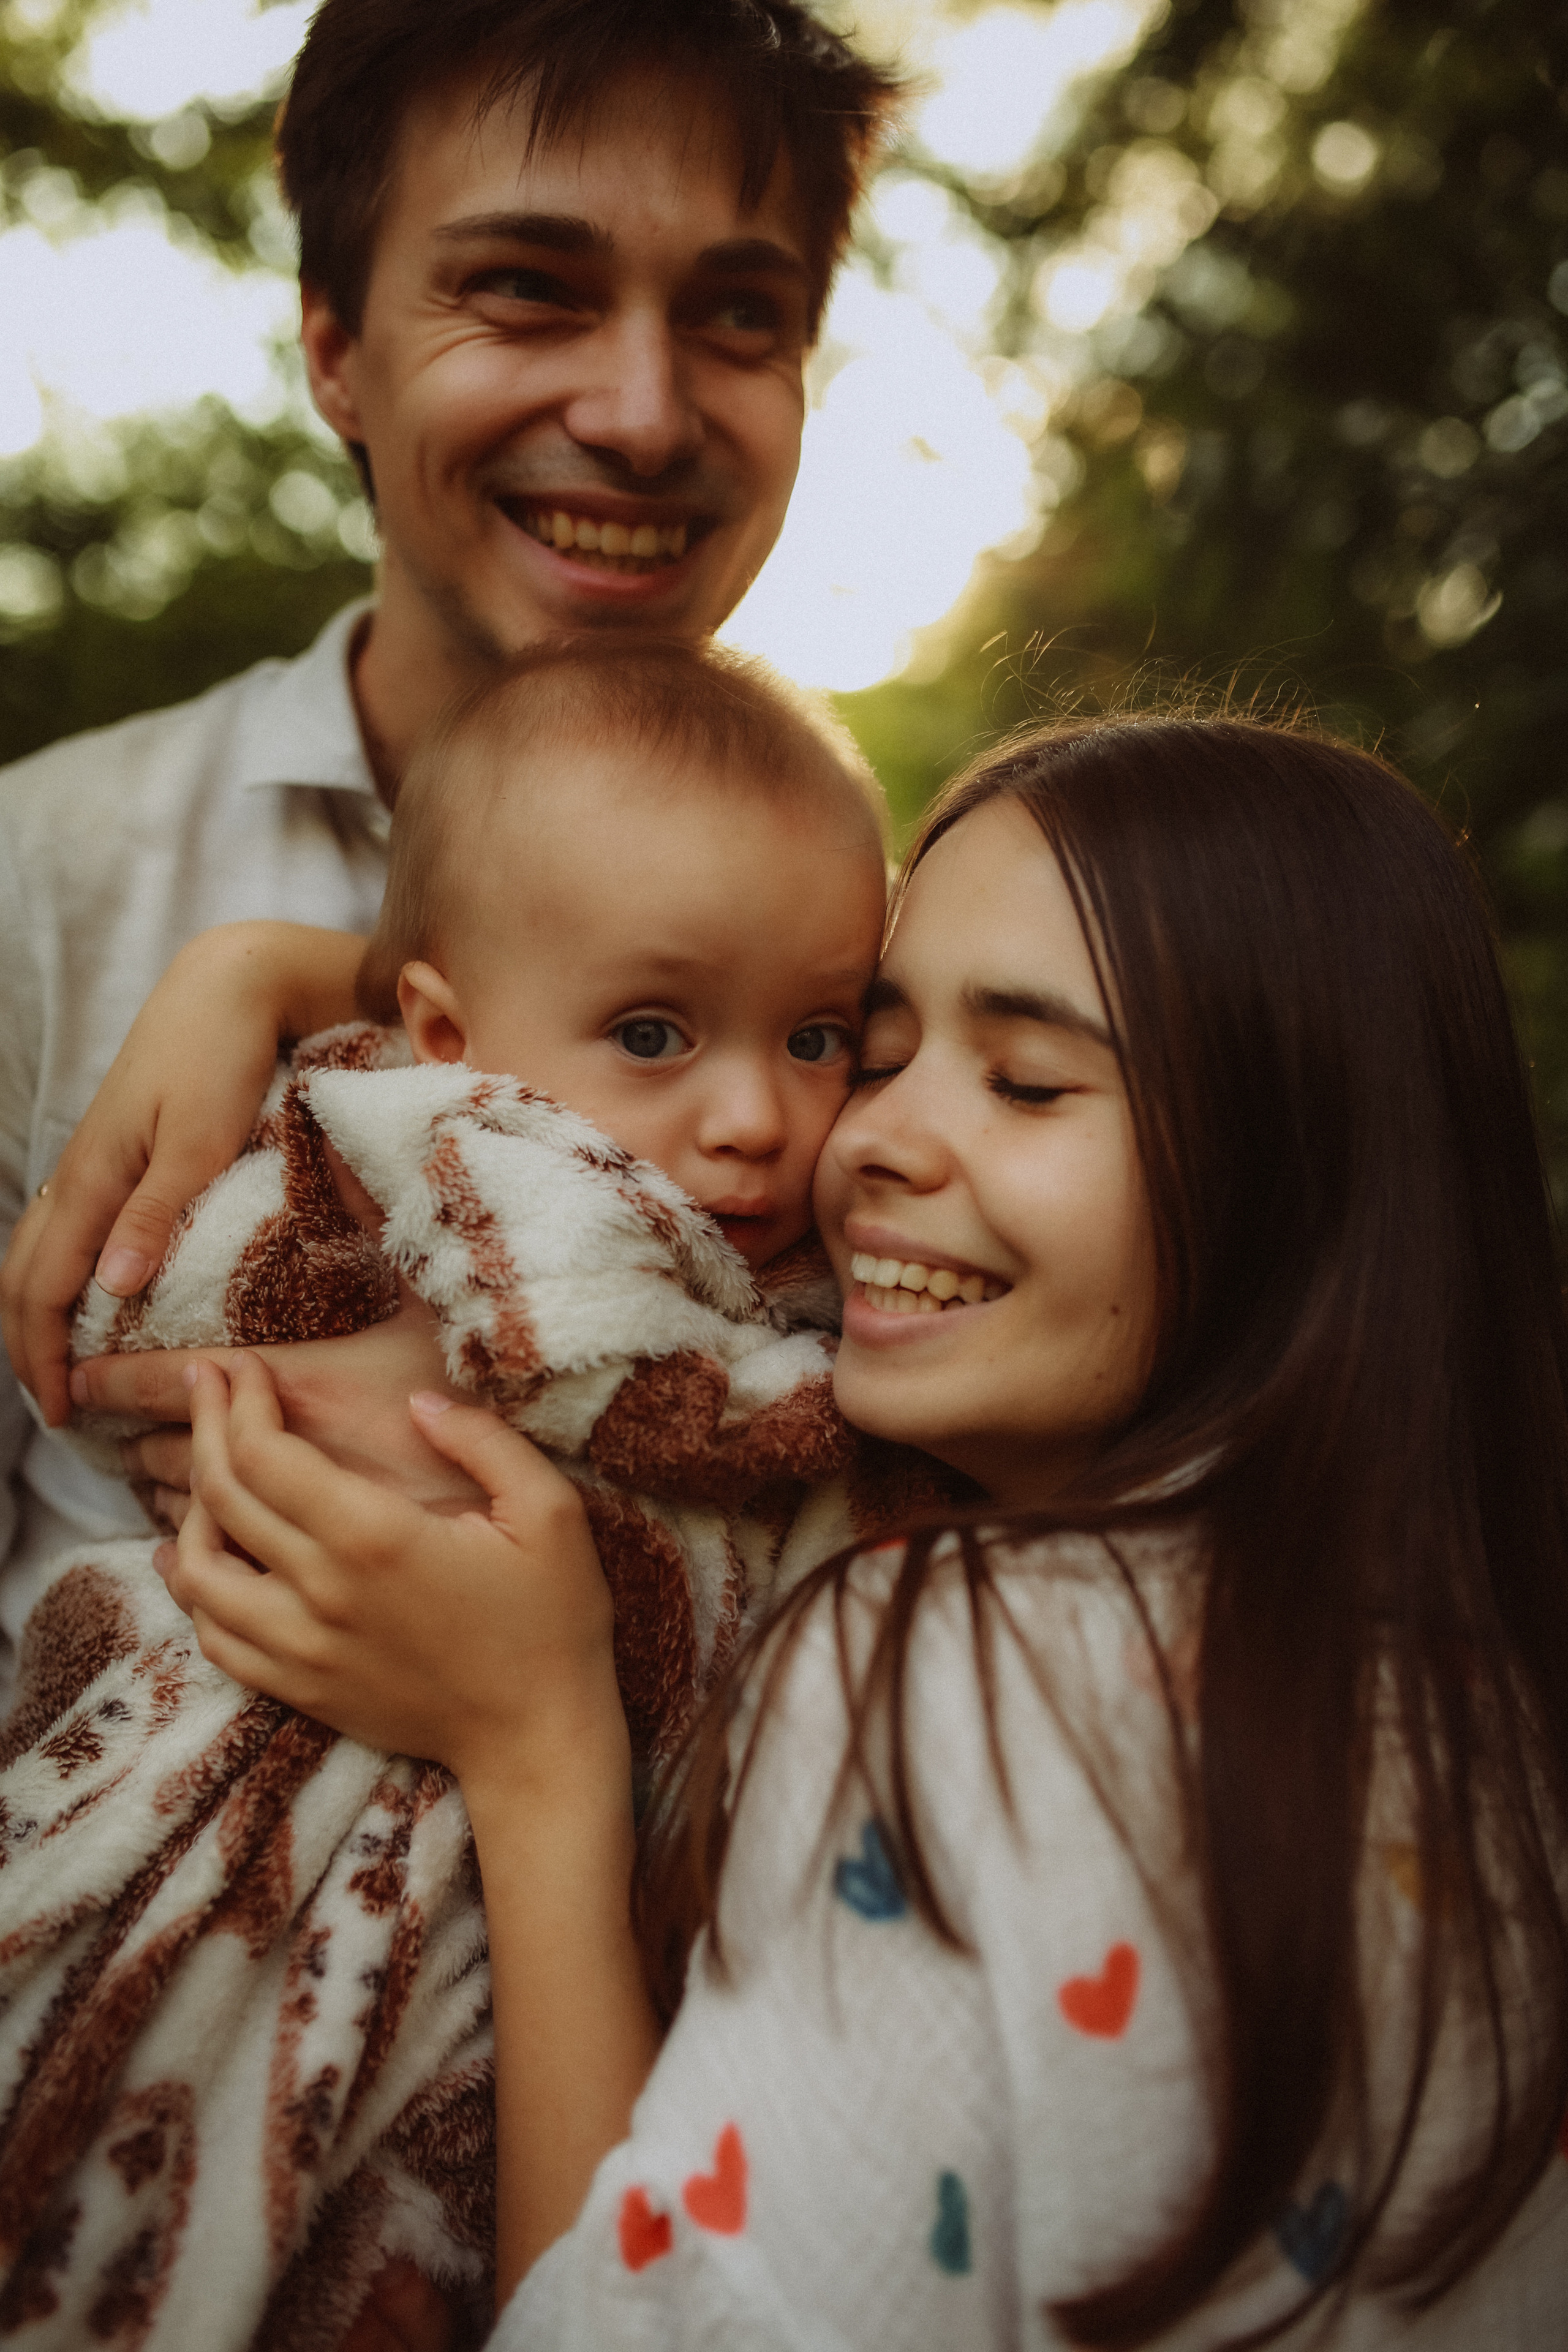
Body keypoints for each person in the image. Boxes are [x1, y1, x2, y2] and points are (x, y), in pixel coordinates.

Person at [164, 712, 1568, 2345]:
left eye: (1029, 1081)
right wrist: (266, 971)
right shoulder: (1489, 1690)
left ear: (1297, 1160)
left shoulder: (971, 1668)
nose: (867, 1137)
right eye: (880, 1048)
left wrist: (533, 1743)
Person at [0, 638, 894, 2348]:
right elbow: (149, 1331)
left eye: (821, 1036)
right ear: (436, 1039)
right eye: (655, 1033)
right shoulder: (371, 1144)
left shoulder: (843, 1264)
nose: (757, 1117)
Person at [0, 0, 901, 1693]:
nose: (641, 415)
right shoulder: (41, 883)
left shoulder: (885, 930)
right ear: (335, 348)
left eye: (737, 315)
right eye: (527, 288)